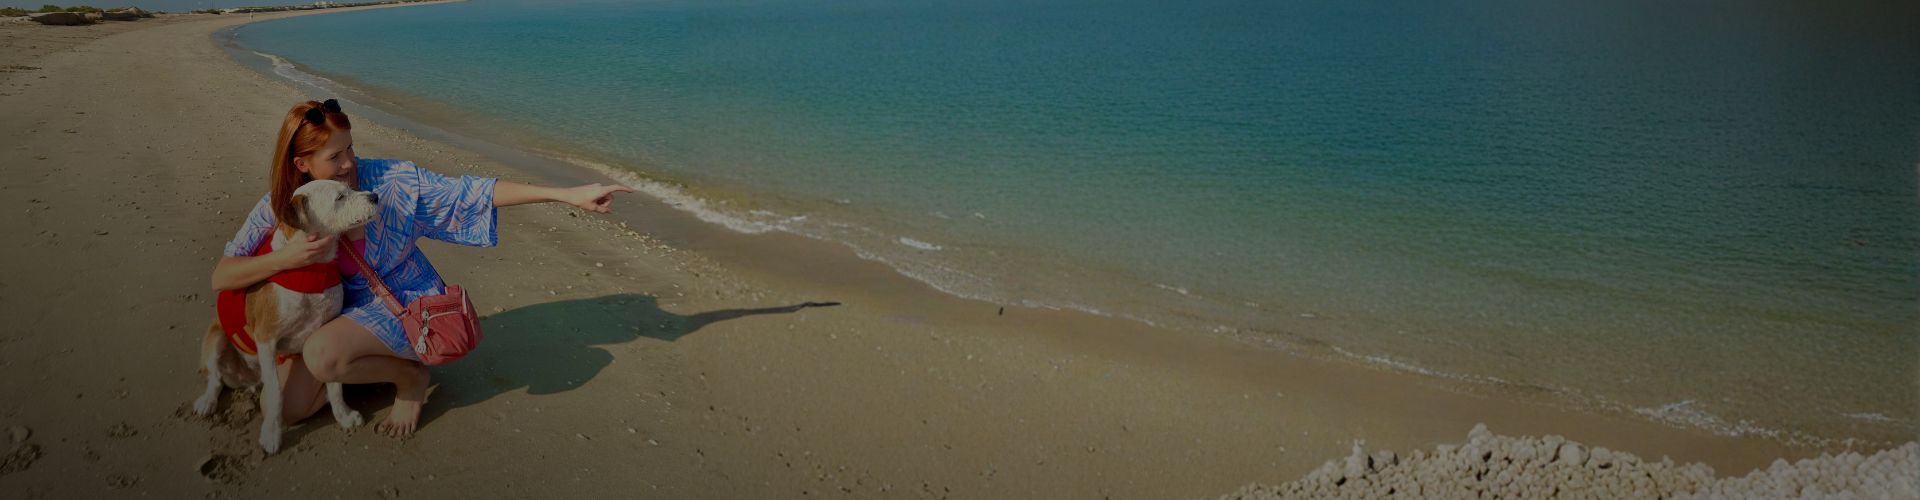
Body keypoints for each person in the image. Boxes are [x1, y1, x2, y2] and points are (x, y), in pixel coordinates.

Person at [210, 99, 632, 437]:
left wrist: (566, 194)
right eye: (335, 156)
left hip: (403, 303)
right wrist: (283, 259)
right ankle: (353, 368)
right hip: (336, 318)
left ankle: (409, 378)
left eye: (351, 149)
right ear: (302, 165)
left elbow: (469, 193)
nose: (350, 164)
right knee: (282, 409)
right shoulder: (284, 207)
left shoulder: (391, 182)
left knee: (322, 354)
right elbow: (222, 275)